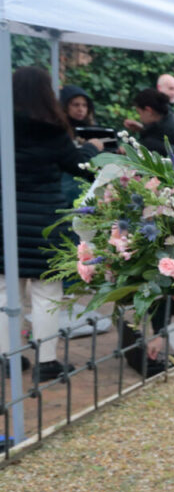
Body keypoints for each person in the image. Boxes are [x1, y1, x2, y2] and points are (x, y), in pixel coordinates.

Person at [2, 67, 102, 381]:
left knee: (5, 291)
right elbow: (78, 166)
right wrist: (92, 149)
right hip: (45, 219)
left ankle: (7, 359)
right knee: (47, 290)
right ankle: (46, 363)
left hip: (5, 216)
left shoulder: (3, 124)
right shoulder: (53, 128)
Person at [129, 88, 174, 156]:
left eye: (139, 113)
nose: (140, 117)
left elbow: (149, 145)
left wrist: (128, 149)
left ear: (148, 111)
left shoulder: (166, 132)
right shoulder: (169, 118)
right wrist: (142, 129)